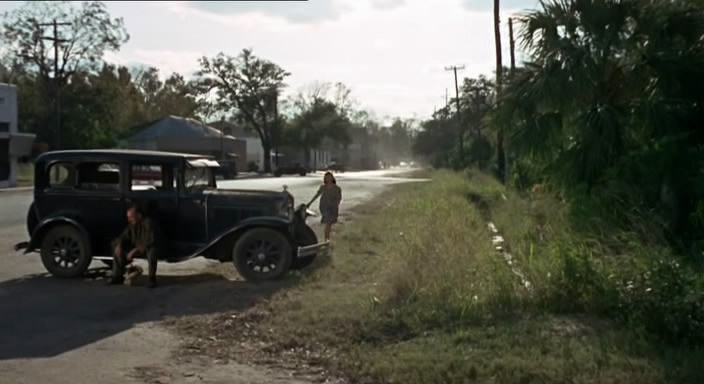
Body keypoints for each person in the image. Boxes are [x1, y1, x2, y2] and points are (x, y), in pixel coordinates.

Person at [108, 203, 161, 288]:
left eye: (131, 217)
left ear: (139, 215)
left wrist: (135, 250)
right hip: (137, 249)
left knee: (152, 251)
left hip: (149, 248)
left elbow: (149, 241)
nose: (129, 220)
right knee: (116, 246)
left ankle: (152, 279)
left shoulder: (148, 223)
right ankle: (117, 275)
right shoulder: (132, 225)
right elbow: (122, 236)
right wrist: (119, 245)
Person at [307, 172, 342, 241]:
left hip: (333, 207)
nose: (328, 179)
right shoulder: (323, 187)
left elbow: (339, 198)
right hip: (324, 207)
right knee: (328, 223)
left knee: (329, 224)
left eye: (330, 177)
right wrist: (310, 203)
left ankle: (327, 238)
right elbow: (316, 195)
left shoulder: (337, 188)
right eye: (327, 178)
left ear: (332, 178)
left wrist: (335, 204)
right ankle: (326, 239)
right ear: (325, 179)